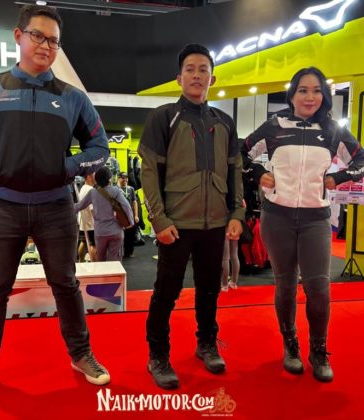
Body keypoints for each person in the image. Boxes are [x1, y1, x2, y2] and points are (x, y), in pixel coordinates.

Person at [0, 5, 111, 411]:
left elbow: (99, 148)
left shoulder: (72, 98)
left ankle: (81, 354)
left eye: (54, 41)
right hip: (2, 207)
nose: (46, 46)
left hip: (56, 208)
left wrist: (67, 167)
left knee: (65, 285)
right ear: (19, 36)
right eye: (38, 36)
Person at [241, 66, 364, 383]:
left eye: (316, 91)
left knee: (318, 289)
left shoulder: (334, 131)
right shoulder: (274, 126)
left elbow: (363, 161)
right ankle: (290, 345)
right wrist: (258, 174)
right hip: (277, 217)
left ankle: (318, 350)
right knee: (285, 285)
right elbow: (239, 155)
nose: (310, 97)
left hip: (315, 219)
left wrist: (339, 177)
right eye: (303, 90)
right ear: (292, 94)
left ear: (324, 95)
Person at [138, 43, 244, 390]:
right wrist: (159, 219)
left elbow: (235, 171)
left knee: (210, 289)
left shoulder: (224, 123)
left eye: (203, 70)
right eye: (190, 69)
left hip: (215, 224)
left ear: (212, 78)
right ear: (179, 77)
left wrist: (237, 213)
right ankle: (158, 355)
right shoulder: (163, 117)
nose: (197, 75)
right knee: (166, 292)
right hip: (176, 225)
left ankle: (207, 344)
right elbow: (149, 172)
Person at [75, 166, 134, 261]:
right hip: (115, 231)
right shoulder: (116, 191)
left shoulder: (92, 192)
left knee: (101, 261)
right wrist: (130, 222)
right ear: (109, 179)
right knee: (115, 261)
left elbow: (79, 206)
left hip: (100, 232)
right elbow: (126, 206)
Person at [77, 172, 97, 262]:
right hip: (91, 222)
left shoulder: (83, 188)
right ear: (89, 176)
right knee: (94, 244)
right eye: (94, 175)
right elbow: (92, 208)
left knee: (84, 242)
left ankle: (81, 261)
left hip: (83, 221)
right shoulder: (91, 190)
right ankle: (94, 264)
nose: (95, 177)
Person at [117, 171, 138, 258]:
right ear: (118, 178)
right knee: (120, 235)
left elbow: (134, 202)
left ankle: (129, 252)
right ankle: (119, 252)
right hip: (120, 216)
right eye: (123, 178)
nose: (125, 179)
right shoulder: (116, 189)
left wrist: (136, 215)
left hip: (130, 215)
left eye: (126, 178)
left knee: (131, 234)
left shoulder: (131, 189)